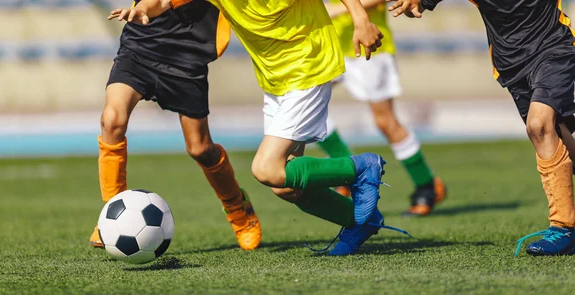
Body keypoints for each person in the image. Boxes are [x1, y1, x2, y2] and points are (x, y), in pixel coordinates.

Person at [110, 0, 411, 256]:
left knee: (266, 169)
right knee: (286, 188)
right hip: (276, 79)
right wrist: (141, 8)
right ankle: (361, 222)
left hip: (309, 65)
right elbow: (164, 1)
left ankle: (360, 168)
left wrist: (360, 19)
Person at [389, 0, 575, 256]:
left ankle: (563, 227)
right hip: (512, 65)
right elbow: (416, 7)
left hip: (554, 48)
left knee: (538, 126)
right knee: (557, 139)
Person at [89, 0, 262, 251]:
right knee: (112, 121)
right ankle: (110, 215)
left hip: (188, 55)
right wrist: (142, 10)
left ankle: (237, 206)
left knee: (200, 148)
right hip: (142, 42)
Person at [317, 0, 446, 216]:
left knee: (385, 121)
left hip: (371, 45)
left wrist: (340, 9)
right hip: (330, 44)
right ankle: (347, 172)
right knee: (309, 111)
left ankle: (427, 185)